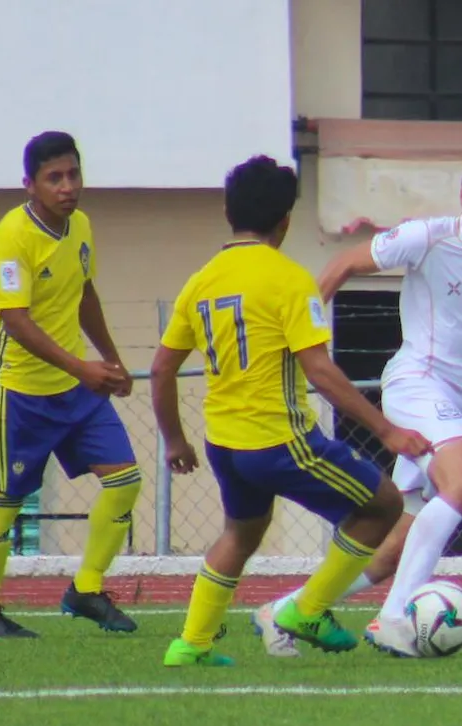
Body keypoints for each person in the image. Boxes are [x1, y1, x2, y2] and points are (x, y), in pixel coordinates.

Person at [252, 147, 462, 658]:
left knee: (394, 548)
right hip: (417, 385)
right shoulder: (428, 237)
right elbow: (344, 261)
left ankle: (285, 610)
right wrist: (303, 333)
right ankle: (394, 619)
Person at [150, 155, 431, 667]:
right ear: (285, 221)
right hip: (279, 440)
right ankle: (308, 611)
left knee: (242, 532)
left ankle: (190, 644)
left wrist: (174, 439)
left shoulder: (202, 281)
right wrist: (387, 431)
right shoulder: (288, 279)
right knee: (384, 505)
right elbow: (319, 371)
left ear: (228, 212)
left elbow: (162, 368)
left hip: (224, 443)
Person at [0, 131, 141, 640]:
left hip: (74, 391)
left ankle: (85, 590)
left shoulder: (81, 226)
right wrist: (83, 367)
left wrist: (109, 358)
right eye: (54, 178)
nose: (67, 187)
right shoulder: (10, 238)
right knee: (5, 499)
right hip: (17, 392)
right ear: (30, 185)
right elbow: (15, 321)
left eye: (74, 174)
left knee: (125, 479)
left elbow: (85, 293)